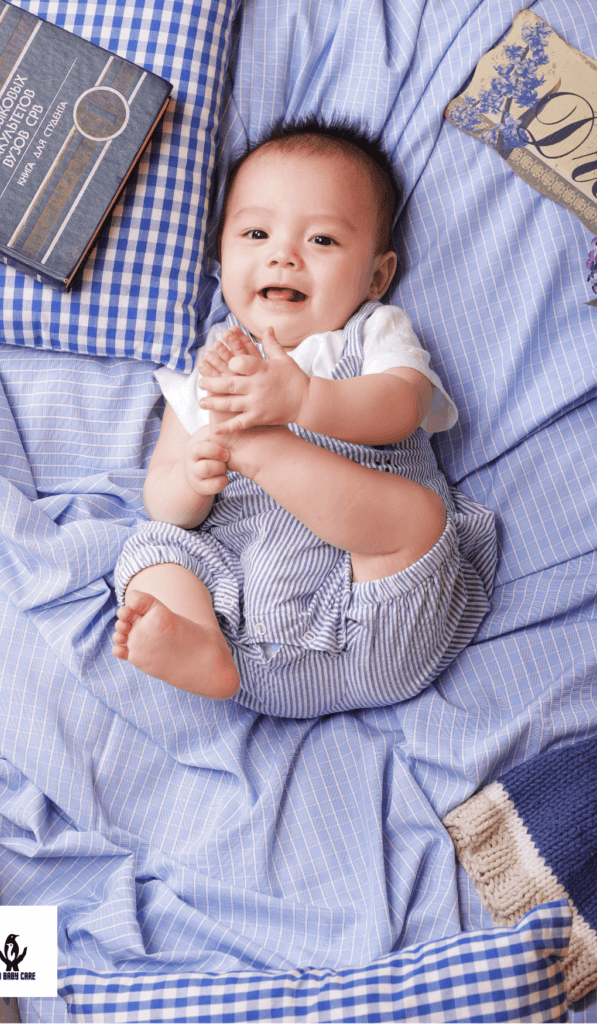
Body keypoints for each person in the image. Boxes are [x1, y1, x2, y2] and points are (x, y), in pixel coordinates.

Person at [111, 115, 497, 718]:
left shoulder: (370, 334)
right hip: (252, 649)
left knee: (416, 517)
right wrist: (193, 477)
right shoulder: (206, 375)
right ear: (220, 255)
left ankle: (259, 450)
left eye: (321, 241)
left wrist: (303, 402)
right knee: (153, 546)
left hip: (385, 610)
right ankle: (191, 641)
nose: (284, 257)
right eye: (257, 233)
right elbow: (163, 499)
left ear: (377, 275)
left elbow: (402, 407)